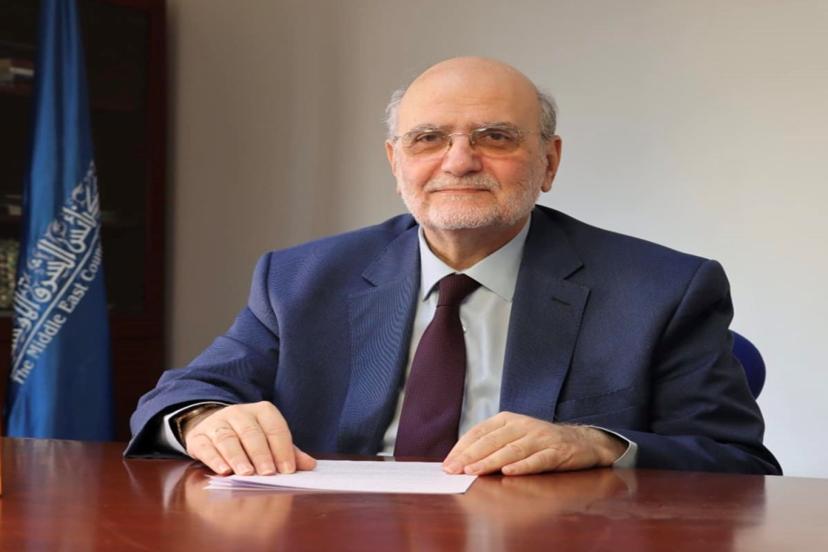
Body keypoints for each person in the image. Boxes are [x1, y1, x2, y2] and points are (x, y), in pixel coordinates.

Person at [126, 57, 781, 478]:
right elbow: (180, 395)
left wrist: (597, 444)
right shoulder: (300, 279)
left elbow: (737, 461)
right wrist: (204, 420)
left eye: (495, 137)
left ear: (549, 162)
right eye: (428, 138)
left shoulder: (661, 290)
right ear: (396, 162)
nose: (459, 161)